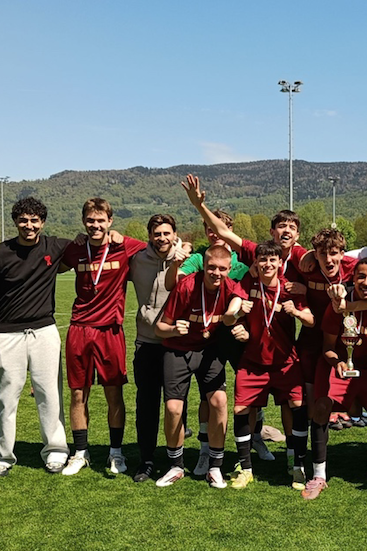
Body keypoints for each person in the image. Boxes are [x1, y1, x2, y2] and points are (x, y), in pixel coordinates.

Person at [181, 175, 307, 468]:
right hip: (246, 340)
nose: (286, 231)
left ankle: (289, 456)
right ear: (272, 232)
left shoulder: (303, 259)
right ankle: (230, 454)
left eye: (292, 227)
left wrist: (304, 290)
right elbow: (223, 231)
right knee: (238, 398)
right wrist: (200, 206)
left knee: (290, 403)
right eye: (281, 226)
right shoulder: (257, 252)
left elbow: (327, 265)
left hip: (283, 348)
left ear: (297, 235)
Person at [304, 258, 367, 500]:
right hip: (338, 365)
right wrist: (337, 363)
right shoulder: (338, 305)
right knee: (321, 407)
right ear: (353, 279)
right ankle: (319, 475)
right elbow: (327, 348)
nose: (366, 282)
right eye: (361, 276)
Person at [58, 198, 148, 476]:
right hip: (79, 328)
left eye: (100, 220)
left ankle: (116, 452)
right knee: (77, 393)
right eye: (90, 220)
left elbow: (159, 249)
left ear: (110, 221)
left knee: (114, 393)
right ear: (83, 221)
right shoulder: (75, 248)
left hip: (110, 329)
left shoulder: (125, 245)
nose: (95, 225)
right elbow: (51, 265)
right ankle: (80, 452)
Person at [0, 196, 72, 477]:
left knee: (49, 394)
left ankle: (56, 451)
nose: (29, 225)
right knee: (5, 398)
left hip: (44, 332)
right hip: (6, 335)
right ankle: (1, 456)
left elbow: (91, 242)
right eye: (23, 220)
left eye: (34, 220)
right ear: (15, 222)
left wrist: (115, 235)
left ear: (42, 222)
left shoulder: (55, 246)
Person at [153, 245, 246, 489]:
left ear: (229, 269)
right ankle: (175, 465)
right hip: (178, 350)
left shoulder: (230, 287)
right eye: (211, 267)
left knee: (219, 401)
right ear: (204, 266)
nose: (216, 273)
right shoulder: (186, 286)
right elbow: (159, 328)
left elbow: (240, 304)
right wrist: (174, 330)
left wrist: (239, 321)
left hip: (209, 350)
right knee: (173, 408)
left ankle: (215, 467)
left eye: (222, 269)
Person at [230, 242, 314, 489]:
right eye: (263, 260)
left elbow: (310, 319)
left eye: (272, 260)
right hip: (253, 361)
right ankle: (245, 469)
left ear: (279, 263)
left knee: (296, 406)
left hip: (285, 362)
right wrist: (238, 321)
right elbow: (234, 308)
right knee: (240, 409)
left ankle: (296, 464)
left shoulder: (289, 288)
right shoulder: (248, 283)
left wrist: (296, 313)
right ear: (256, 263)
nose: (267, 264)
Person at [128, 213, 192, 481]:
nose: (162, 238)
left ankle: (175, 458)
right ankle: (146, 460)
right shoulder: (137, 260)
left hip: (174, 342)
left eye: (167, 233)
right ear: (149, 236)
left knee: (175, 403)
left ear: (175, 234)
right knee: (146, 403)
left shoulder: (187, 258)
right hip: (146, 340)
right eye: (157, 234)